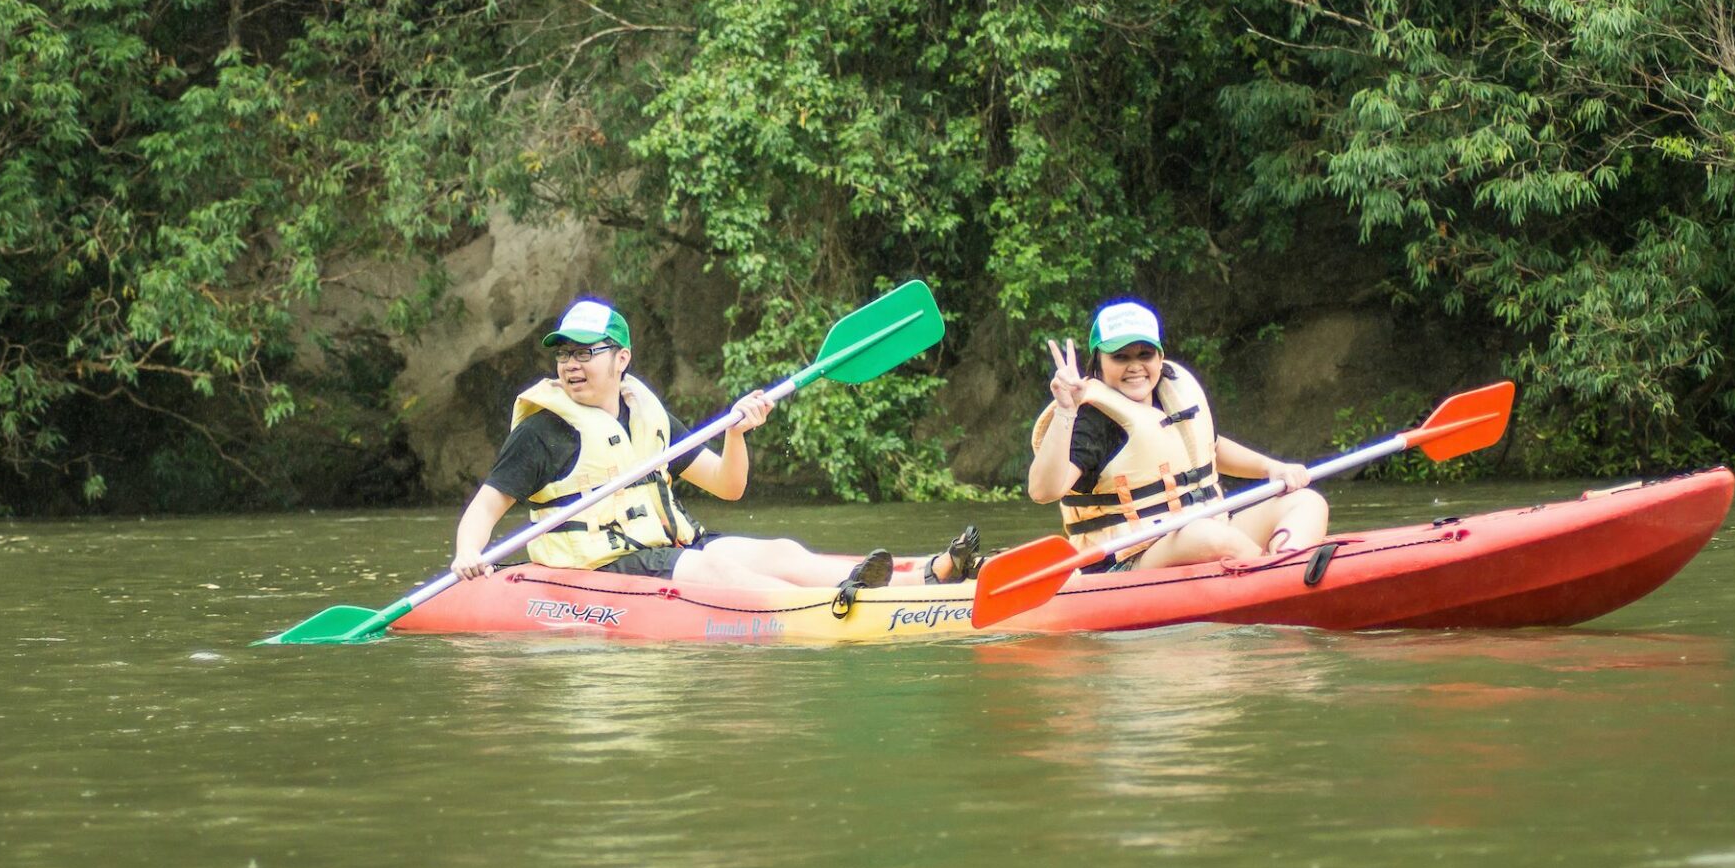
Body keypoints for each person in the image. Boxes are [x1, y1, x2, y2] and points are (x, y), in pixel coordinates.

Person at [452, 299, 980, 591]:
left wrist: (735, 431)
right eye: (564, 353)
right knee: (714, 570)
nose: (571, 363)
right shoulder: (543, 431)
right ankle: (835, 605)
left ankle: (927, 578)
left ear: (622, 359)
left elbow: (728, 486)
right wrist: (467, 554)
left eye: (587, 352)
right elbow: (485, 508)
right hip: (599, 566)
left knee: (778, 551)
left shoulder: (646, 415)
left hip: (668, 548)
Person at [1026, 299, 1328, 571]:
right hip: (1127, 560)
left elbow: (1211, 449)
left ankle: (1288, 565)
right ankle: (1277, 574)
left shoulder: (1172, 391)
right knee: (1205, 535)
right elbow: (1043, 491)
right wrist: (1066, 410)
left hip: (1209, 530)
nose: (1135, 367)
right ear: (1099, 363)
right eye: (1120, 357)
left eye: (1145, 354)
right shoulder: (1092, 419)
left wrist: (1272, 468)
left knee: (1306, 502)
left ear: (1159, 357)